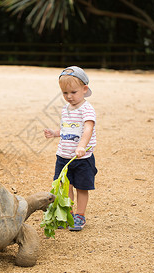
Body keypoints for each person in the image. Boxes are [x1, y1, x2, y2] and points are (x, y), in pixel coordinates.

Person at [44, 66, 97, 231]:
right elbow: (68, 130)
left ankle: (80, 215)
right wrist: (55, 133)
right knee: (65, 186)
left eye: (73, 92)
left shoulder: (87, 109)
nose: (69, 97)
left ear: (84, 89)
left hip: (81, 158)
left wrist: (81, 146)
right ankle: (68, 213)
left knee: (81, 187)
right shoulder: (66, 109)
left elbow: (87, 129)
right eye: (65, 93)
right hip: (63, 156)